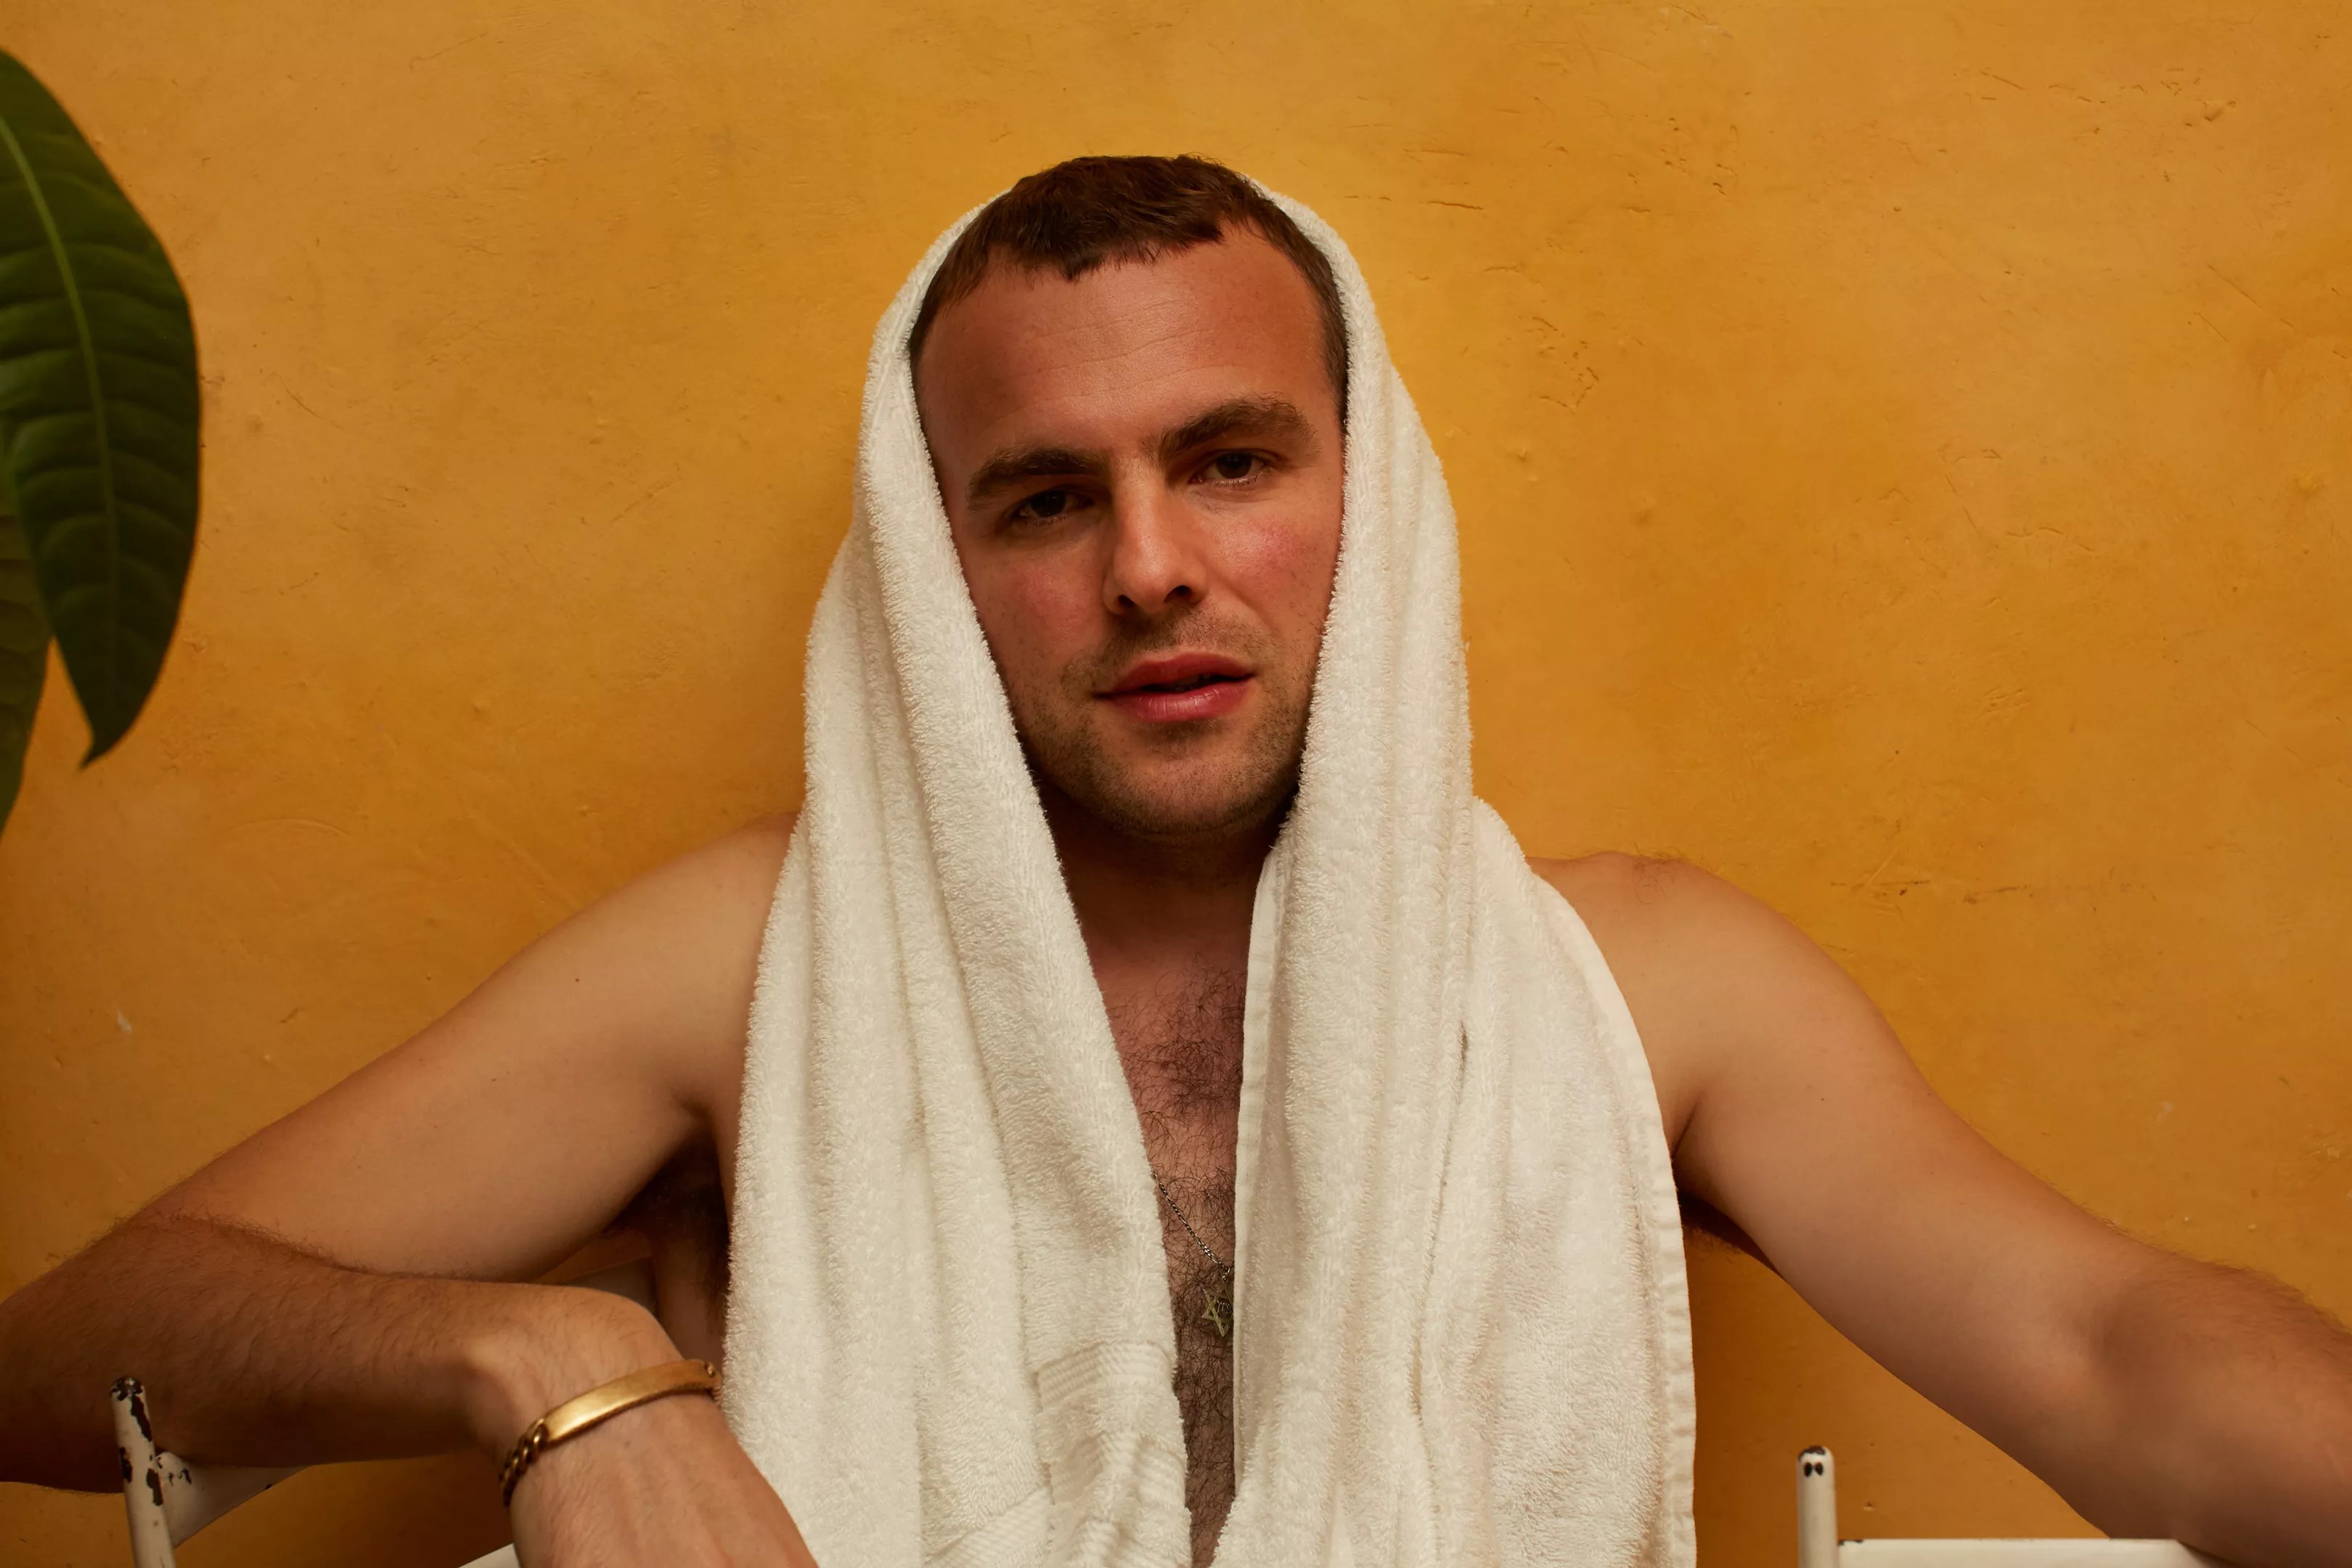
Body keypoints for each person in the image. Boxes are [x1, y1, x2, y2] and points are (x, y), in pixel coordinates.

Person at [1, 155, 2347, 1568]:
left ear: (1367, 495)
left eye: (1230, 460)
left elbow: (2110, 1349)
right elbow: (60, 1364)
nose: (1150, 568)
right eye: (1048, 497)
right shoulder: (749, 968)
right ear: (936, 573)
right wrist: (557, 1362)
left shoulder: (1641, 982)